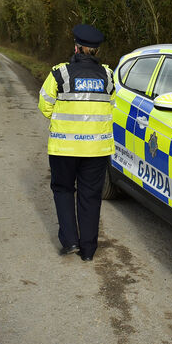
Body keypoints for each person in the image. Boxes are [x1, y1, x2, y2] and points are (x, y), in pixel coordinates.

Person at [38, 24, 115, 261]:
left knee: (63, 190)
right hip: (97, 149)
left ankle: (70, 241)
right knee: (90, 196)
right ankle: (89, 250)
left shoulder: (59, 74)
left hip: (63, 148)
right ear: (95, 50)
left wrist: (64, 121)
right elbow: (110, 106)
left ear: (76, 47)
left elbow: (44, 106)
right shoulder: (108, 75)